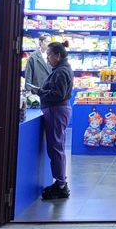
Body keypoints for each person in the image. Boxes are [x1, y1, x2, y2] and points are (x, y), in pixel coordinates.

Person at [30, 40, 73, 200]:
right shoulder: (60, 69)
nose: (47, 58)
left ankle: (61, 184)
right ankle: (60, 182)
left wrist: (41, 92)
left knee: (56, 147)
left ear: (58, 55)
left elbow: (58, 94)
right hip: (55, 110)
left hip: (56, 110)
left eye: (49, 55)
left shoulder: (61, 71)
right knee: (56, 146)